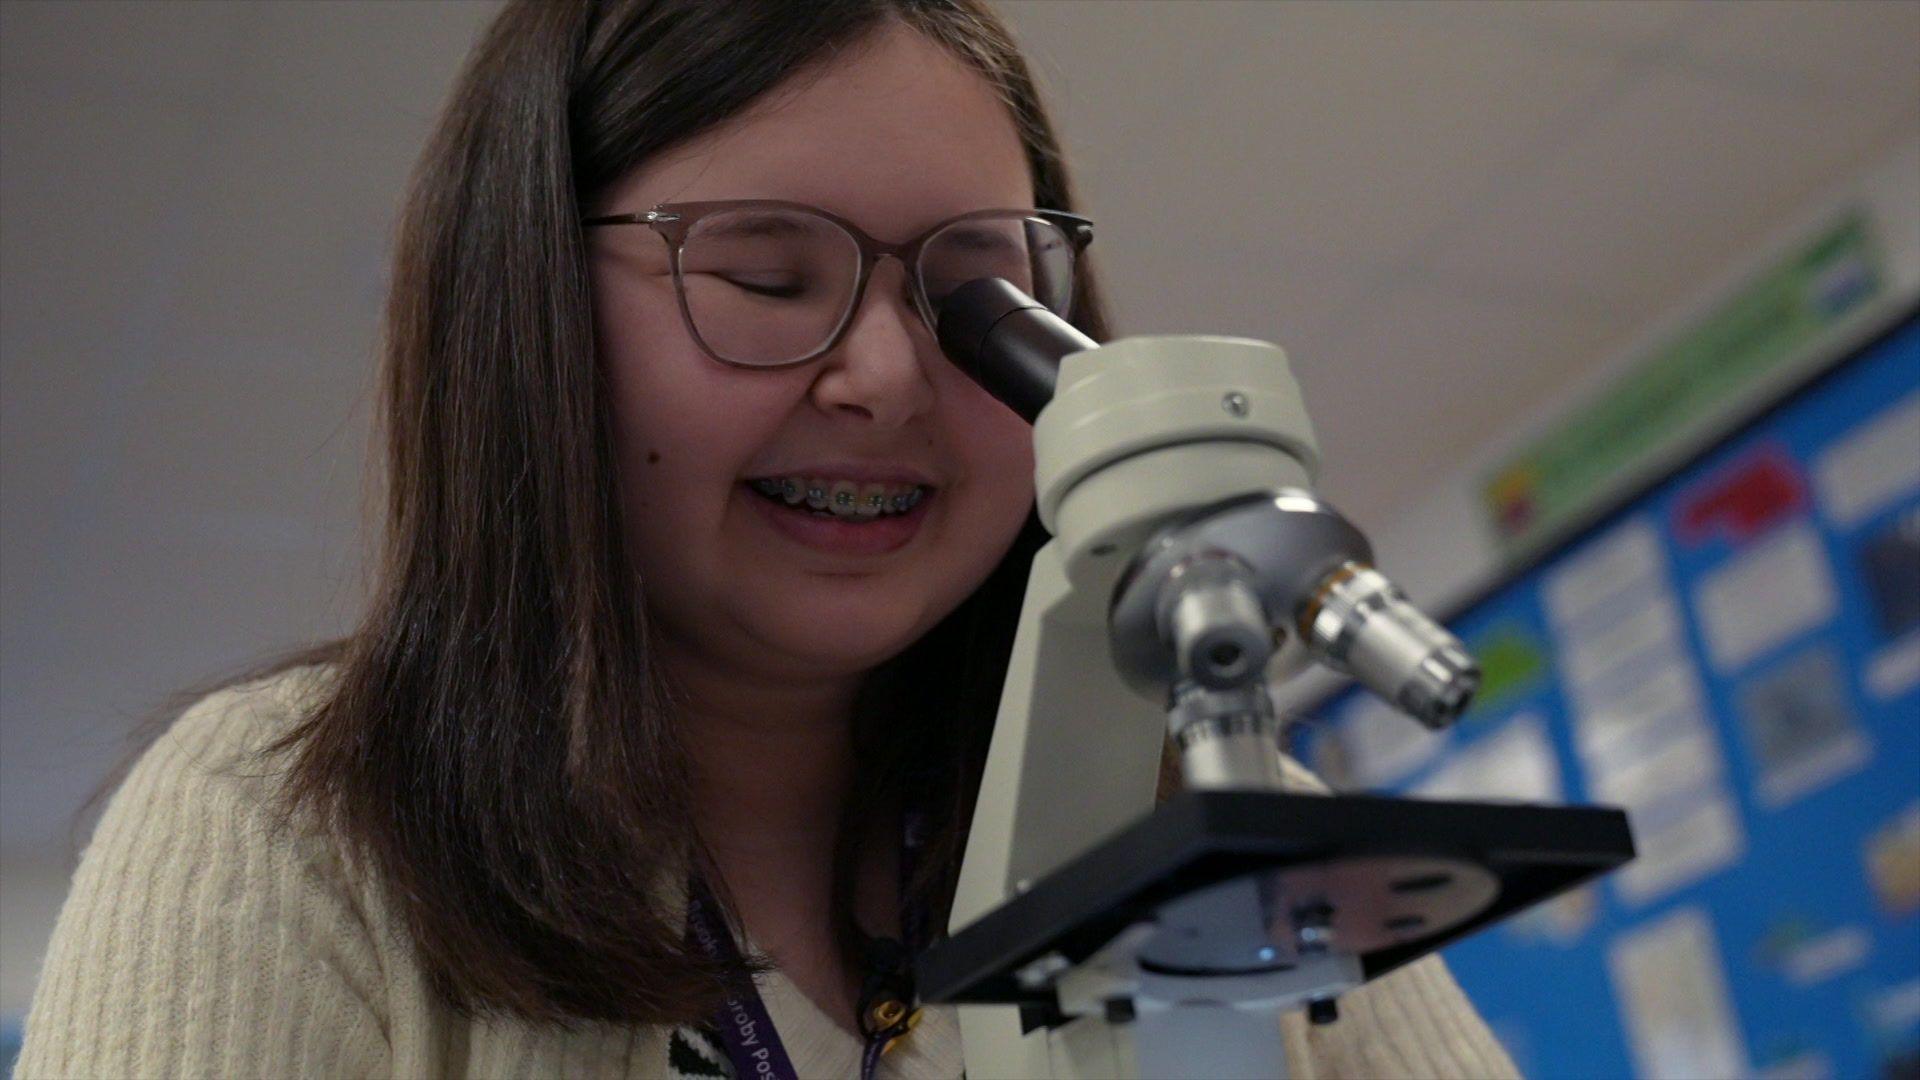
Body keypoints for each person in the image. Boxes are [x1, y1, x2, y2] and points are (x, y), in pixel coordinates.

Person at [16, 1, 1518, 1076]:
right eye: (767, 274)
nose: (882, 376)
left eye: (972, 297)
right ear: (528, 315)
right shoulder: (286, 831)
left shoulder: (1204, 794)